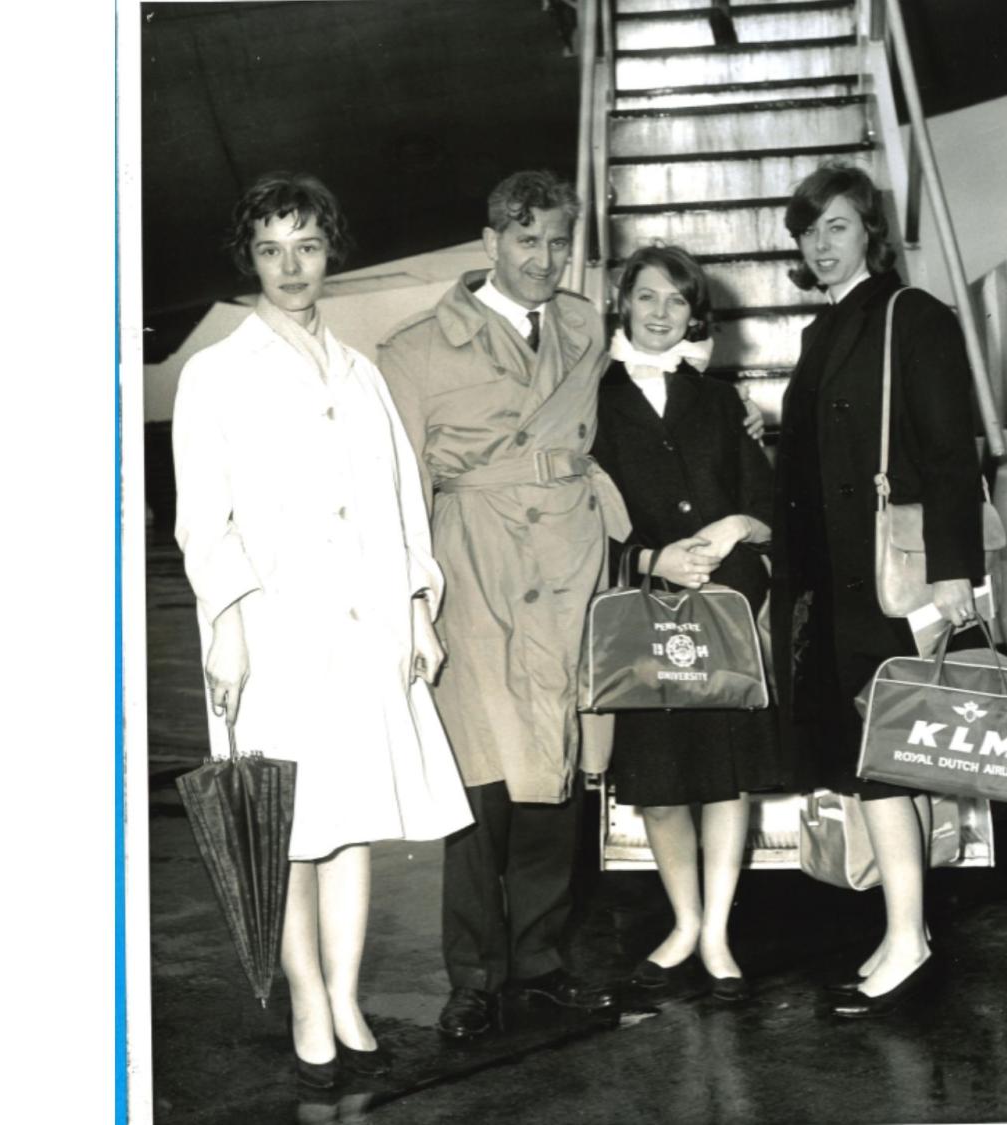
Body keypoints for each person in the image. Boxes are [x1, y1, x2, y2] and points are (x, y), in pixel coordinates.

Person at [171, 172, 473, 1086]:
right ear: (250, 261)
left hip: (367, 624)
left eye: (306, 245)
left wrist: (419, 604)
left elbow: (399, 504)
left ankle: (346, 992)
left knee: (352, 823)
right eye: (271, 249)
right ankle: (306, 994)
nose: (291, 265)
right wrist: (226, 624)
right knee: (289, 826)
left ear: (329, 248)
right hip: (274, 632)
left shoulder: (363, 371)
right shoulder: (215, 372)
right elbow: (202, 518)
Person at [376, 170, 626, 1040]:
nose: (544, 259)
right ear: (489, 244)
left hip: (563, 560)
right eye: (526, 241)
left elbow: (617, 418)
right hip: (472, 566)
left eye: (558, 242)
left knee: (551, 775)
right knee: (481, 783)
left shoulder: (585, 327)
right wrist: (407, 604)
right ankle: (475, 980)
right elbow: (398, 489)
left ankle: (541, 969)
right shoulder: (413, 350)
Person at [770, 164, 987, 1018]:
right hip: (835, 587)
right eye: (808, 231)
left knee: (892, 755)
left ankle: (910, 934)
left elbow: (947, 449)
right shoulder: (823, 333)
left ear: (871, 234)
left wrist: (954, 575)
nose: (819, 245)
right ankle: (903, 930)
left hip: (893, 586)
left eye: (836, 227)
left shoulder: (911, 316)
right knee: (871, 759)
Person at [589, 245, 782, 1001]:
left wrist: (735, 525)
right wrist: (648, 559)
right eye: (646, 297)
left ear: (694, 312)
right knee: (662, 785)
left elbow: (767, 509)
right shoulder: (595, 397)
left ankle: (718, 933)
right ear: (624, 304)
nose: (660, 312)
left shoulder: (719, 397)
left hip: (721, 607)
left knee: (725, 780)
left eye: (675, 300)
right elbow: (584, 519)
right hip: (644, 606)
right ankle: (683, 921)